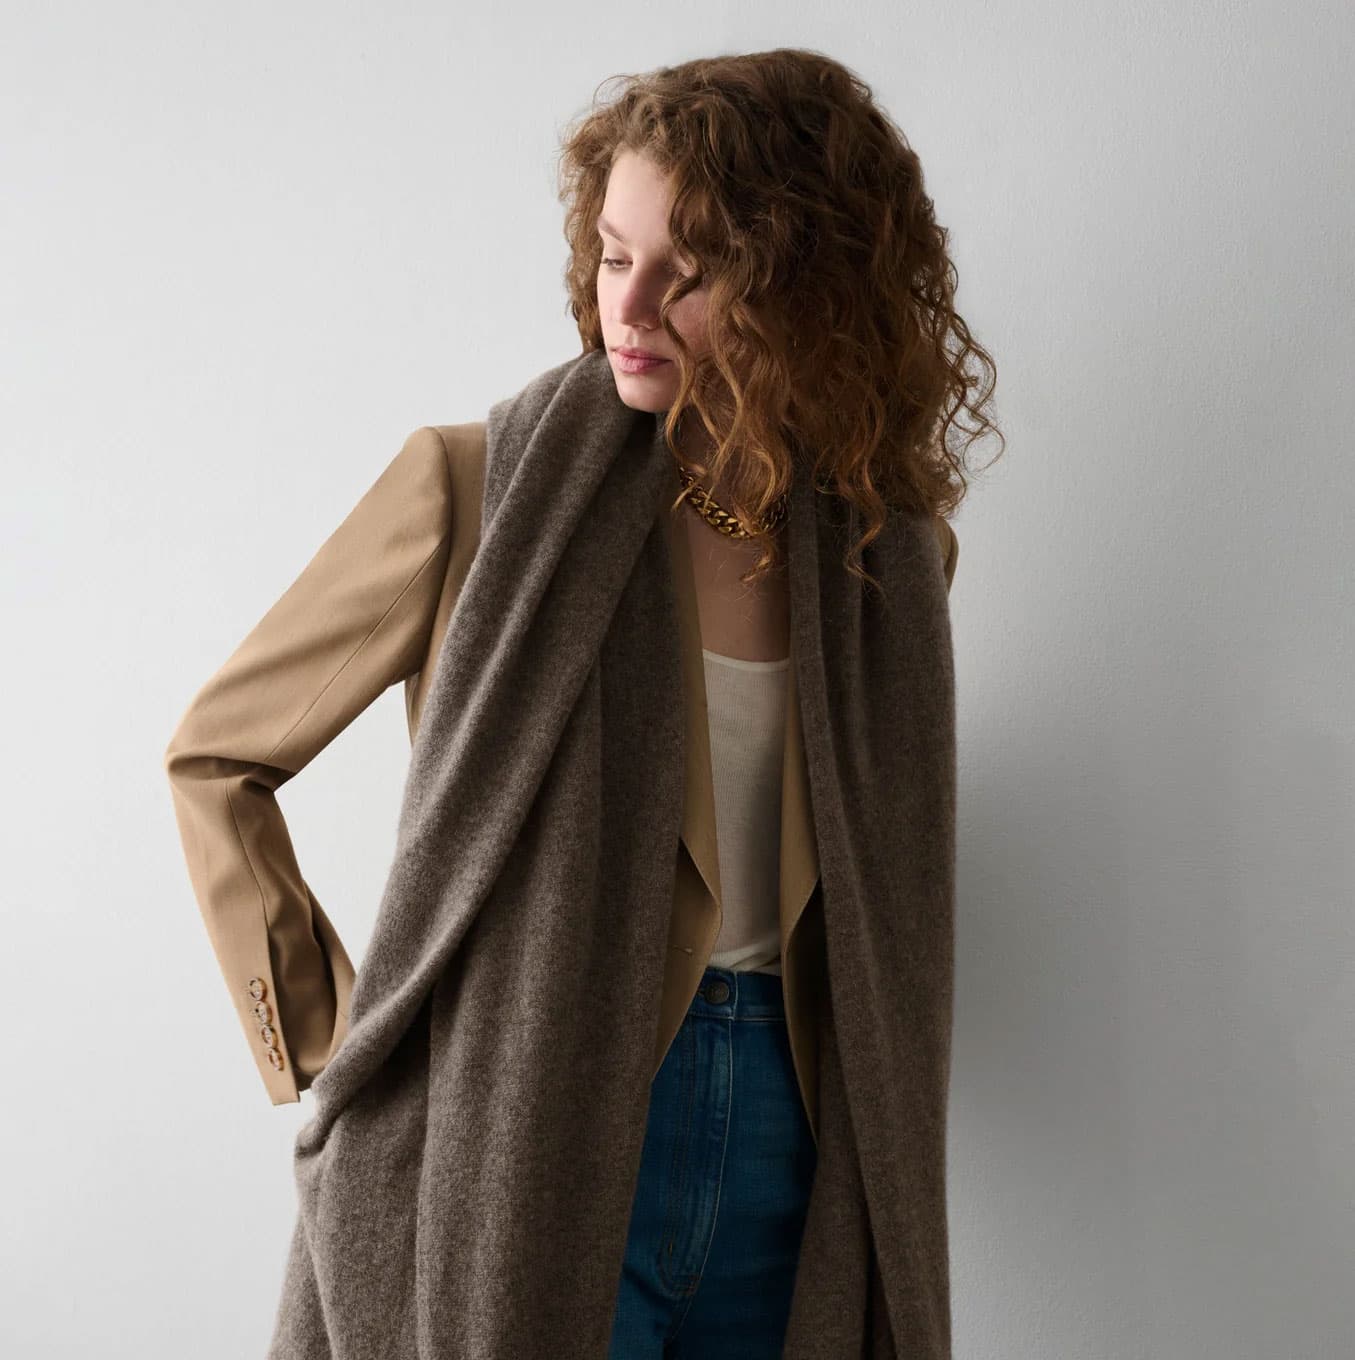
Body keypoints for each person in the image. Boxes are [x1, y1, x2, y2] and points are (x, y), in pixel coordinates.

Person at [165, 47, 1000, 1360]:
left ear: (812, 290)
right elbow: (217, 759)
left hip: (796, 1139)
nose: (636, 304)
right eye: (616, 257)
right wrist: (344, 1050)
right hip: (539, 1121)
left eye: (694, 268)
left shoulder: (886, 564)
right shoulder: (476, 496)